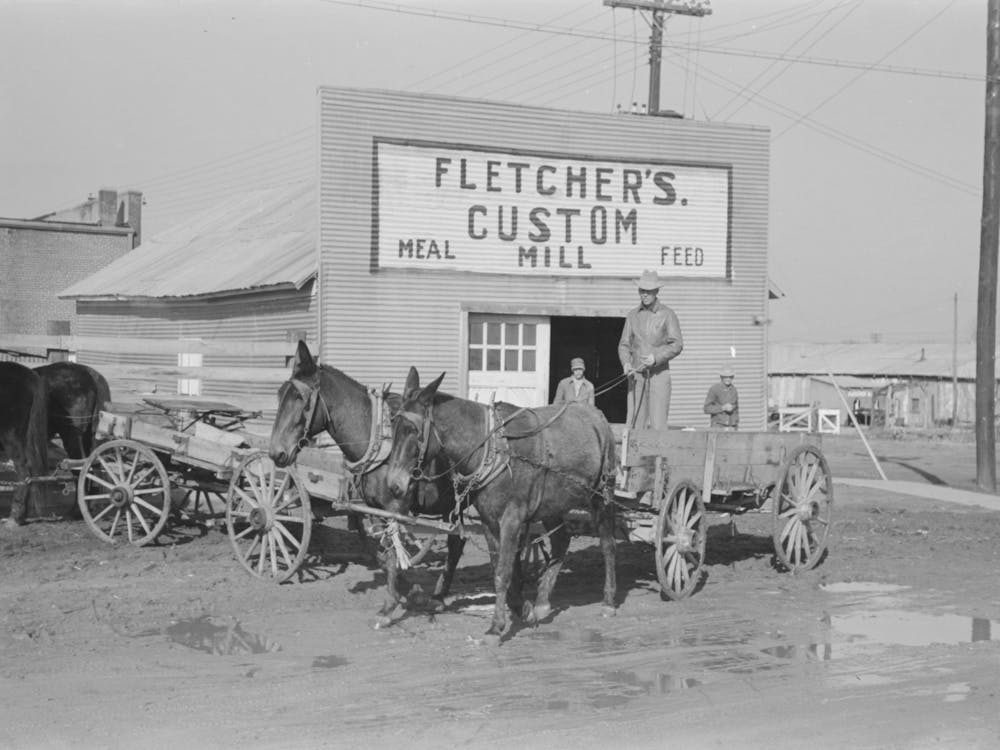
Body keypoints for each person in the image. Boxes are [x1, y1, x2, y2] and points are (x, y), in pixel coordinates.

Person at [618, 269, 684, 430]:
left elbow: (677, 344)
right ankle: (634, 456)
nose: (644, 295)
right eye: (642, 291)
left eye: (648, 291)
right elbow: (624, 345)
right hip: (636, 377)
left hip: (659, 376)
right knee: (634, 424)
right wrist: (626, 363)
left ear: (656, 291)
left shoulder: (667, 314)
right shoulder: (632, 315)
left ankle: (658, 456)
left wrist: (656, 358)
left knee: (658, 425)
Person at [704, 364, 739, 429]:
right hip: (718, 426)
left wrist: (735, 425)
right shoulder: (714, 389)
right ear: (721, 377)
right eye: (725, 377)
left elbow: (736, 409)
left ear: (733, 377)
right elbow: (706, 409)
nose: (728, 379)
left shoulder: (734, 390)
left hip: (731, 427)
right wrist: (723, 408)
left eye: (730, 377)